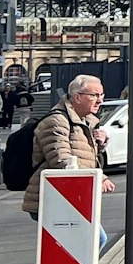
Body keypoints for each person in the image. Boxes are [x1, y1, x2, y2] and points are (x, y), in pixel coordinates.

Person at [22, 74, 115, 219]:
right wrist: (99, 178)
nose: (100, 100)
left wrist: (100, 144)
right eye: (94, 95)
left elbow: (81, 154)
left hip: (71, 196)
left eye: (101, 95)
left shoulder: (86, 120)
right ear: (77, 97)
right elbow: (61, 160)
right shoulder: (57, 121)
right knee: (93, 233)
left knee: (90, 233)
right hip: (54, 198)